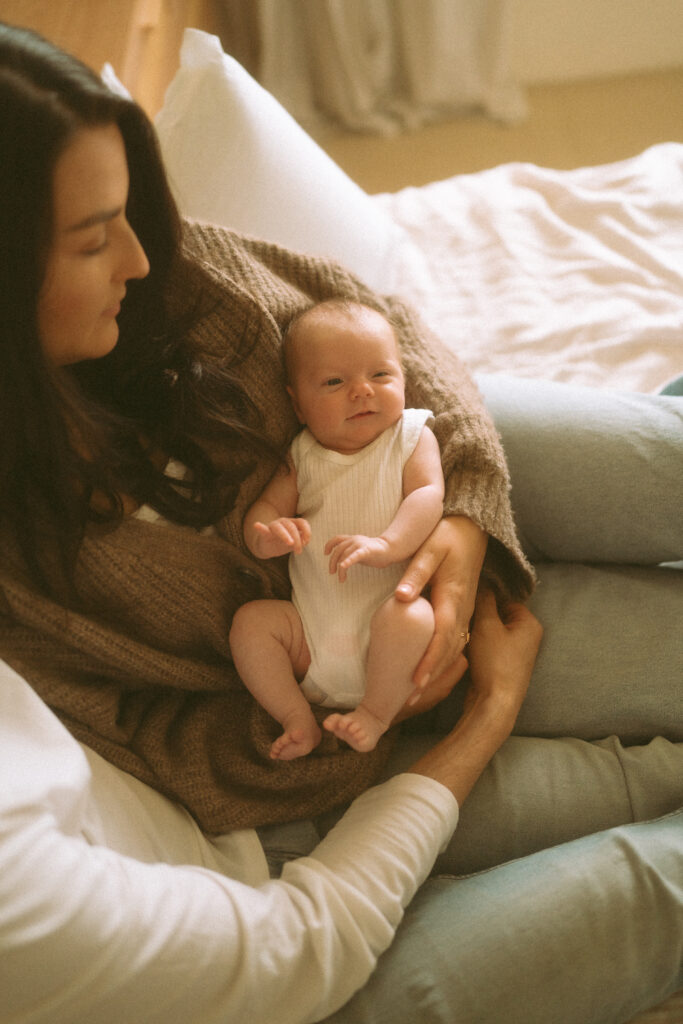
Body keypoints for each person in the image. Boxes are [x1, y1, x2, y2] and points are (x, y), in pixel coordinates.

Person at [0, 21, 681, 1024]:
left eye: (127, 214)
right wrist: (345, 722)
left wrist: (462, 517)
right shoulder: (23, 564)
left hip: (434, 453)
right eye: (96, 238)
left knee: (662, 473)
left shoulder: (181, 290)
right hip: (356, 681)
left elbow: (375, 319)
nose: (142, 258)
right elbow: (145, 733)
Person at [230, 299, 446, 758]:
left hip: (388, 647)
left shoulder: (409, 436)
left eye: (381, 376)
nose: (362, 391)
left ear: (404, 378)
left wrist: (390, 544)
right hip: (308, 641)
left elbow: (428, 495)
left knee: (412, 615)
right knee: (251, 625)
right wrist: (266, 535)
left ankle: (374, 714)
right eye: (334, 382)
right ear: (298, 404)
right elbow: (266, 508)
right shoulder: (302, 455)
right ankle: (296, 717)